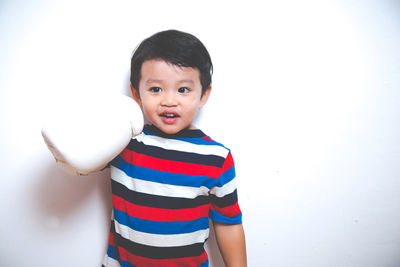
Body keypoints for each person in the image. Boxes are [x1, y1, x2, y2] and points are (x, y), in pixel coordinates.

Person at [102, 30, 247, 267]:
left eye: (183, 90)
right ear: (136, 94)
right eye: (156, 89)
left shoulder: (216, 158)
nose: (169, 100)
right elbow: (79, 158)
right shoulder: (123, 144)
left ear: (204, 95)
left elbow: (228, 223)